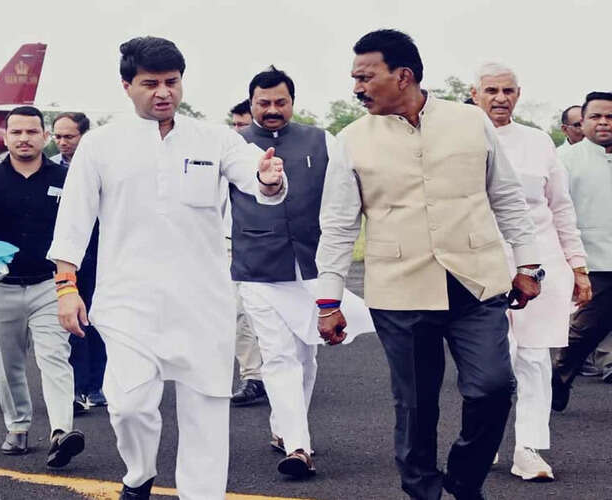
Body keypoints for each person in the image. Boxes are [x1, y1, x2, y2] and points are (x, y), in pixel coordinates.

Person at [49, 36, 287, 500]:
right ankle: (138, 473)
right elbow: (73, 220)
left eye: (172, 82)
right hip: (127, 300)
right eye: (150, 83)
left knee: (207, 416)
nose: (164, 92)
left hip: (203, 301)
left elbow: (256, 180)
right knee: (129, 406)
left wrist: (267, 178)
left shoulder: (215, 138)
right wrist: (66, 287)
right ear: (126, 85)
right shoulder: (100, 144)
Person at [316, 29, 541, 499]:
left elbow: (506, 198)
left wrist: (528, 264)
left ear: (403, 76)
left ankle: (463, 481)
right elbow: (338, 226)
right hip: (399, 290)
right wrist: (328, 301)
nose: (356, 87)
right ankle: (422, 490)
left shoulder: (469, 121)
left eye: (364, 76)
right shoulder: (351, 139)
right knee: (415, 406)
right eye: (353, 77)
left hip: (476, 283)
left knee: (494, 388)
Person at [231, 65, 374, 477]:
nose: (273, 110)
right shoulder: (235, 146)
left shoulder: (322, 140)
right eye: (264, 103)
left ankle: (283, 428)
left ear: (292, 102)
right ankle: (299, 446)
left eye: (281, 102)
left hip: (314, 266)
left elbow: (344, 199)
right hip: (258, 268)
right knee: (278, 356)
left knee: (306, 354)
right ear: (252, 103)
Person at [470, 63, 590, 482]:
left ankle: (529, 449)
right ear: (474, 93)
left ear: (518, 95)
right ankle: (481, 444)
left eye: (508, 90)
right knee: (489, 365)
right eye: (491, 90)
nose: (500, 98)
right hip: (478, 266)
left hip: (539, 266)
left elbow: (560, 209)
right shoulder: (461, 138)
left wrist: (578, 266)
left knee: (536, 358)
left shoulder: (539, 143)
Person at [0, 106, 85, 467]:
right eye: (16, 132)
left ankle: (60, 432)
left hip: (49, 285)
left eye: (32, 132)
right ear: (5, 137)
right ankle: (17, 426)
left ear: (45, 136)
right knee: (8, 363)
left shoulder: (68, 179)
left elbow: (84, 230)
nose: (24, 138)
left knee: (54, 356)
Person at [551, 91, 612, 408]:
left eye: (610, 117)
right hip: (594, 264)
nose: (604, 122)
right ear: (584, 121)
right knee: (583, 334)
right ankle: (556, 381)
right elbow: (555, 212)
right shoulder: (565, 161)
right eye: (596, 116)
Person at [49, 112, 107, 413]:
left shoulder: (102, 167)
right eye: (57, 136)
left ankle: (97, 385)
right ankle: (74, 386)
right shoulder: (52, 171)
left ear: (84, 135)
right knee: (70, 323)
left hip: (100, 255)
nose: (62, 142)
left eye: (69, 137)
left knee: (97, 321)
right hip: (65, 259)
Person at [226, 97, 267, 409]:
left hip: (267, 244)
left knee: (268, 313)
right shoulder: (222, 155)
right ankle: (253, 376)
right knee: (238, 312)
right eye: (235, 124)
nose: (238, 129)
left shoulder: (264, 157)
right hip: (230, 243)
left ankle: (277, 368)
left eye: (244, 124)